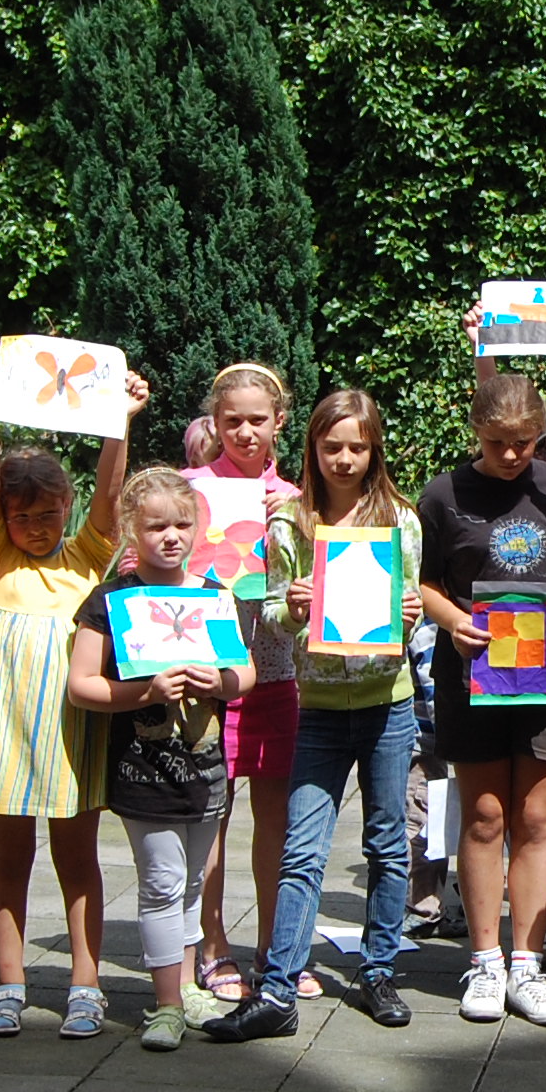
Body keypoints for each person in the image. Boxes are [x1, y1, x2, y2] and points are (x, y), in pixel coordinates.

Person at [212, 389, 428, 1039]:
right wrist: (296, 605)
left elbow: (411, 601)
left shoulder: (401, 520)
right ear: (311, 446)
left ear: (373, 450)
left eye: (356, 447)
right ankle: (277, 990)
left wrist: (411, 613)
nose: (343, 458)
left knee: (388, 844)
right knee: (301, 850)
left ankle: (379, 970)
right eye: (331, 446)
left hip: (389, 703)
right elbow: (273, 612)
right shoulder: (290, 523)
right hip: (323, 708)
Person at [0, 354, 144, 1038]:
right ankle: (8, 982)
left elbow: (109, 491)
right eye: (22, 514)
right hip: (5, 727)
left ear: (65, 509)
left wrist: (118, 424)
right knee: (8, 857)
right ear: (3, 516)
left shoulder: (86, 556)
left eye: (48, 512)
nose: (36, 524)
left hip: (70, 729)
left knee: (78, 858)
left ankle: (85, 983)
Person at [416, 372, 546, 1025]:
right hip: (474, 675)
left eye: (523, 442)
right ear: (476, 432)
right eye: (497, 444)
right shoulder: (443, 496)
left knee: (538, 820)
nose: (513, 455)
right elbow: (424, 581)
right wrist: (448, 618)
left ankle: (528, 965)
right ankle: (485, 963)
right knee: (485, 817)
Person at [67, 468, 248, 1049]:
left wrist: (219, 681)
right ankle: (166, 1003)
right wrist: (144, 693)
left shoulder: (213, 595)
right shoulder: (111, 601)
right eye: (155, 526)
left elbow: (244, 672)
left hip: (206, 769)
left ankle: (186, 985)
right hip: (143, 771)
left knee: (193, 881)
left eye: (182, 524)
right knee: (163, 883)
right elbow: (81, 685)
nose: (171, 536)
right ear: (130, 530)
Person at [184, 364, 303, 1004]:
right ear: (216, 422)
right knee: (212, 817)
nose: (246, 431)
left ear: (279, 421)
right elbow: (143, 558)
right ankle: (212, 943)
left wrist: (299, 521)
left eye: (258, 419)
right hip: (207, 676)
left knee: (276, 820)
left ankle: (273, 946)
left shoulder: (296, 494)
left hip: (277, 671)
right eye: (233, 420)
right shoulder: (190, 489)